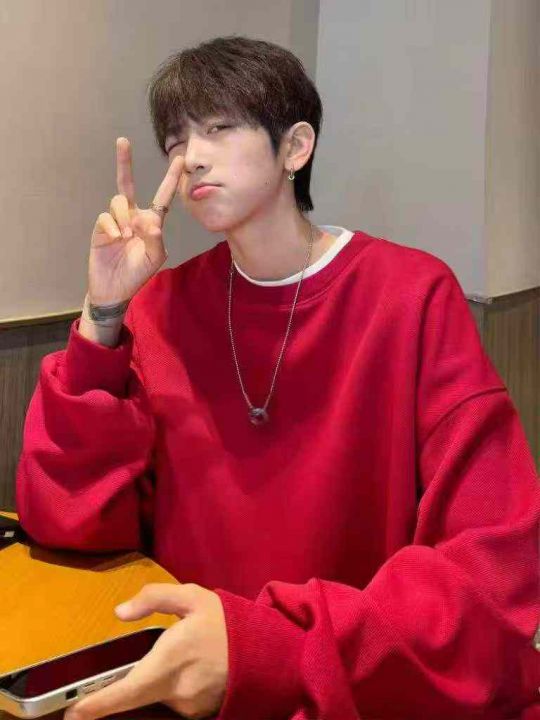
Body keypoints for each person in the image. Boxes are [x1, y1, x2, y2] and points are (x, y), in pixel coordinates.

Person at [15, 35, 539, 720]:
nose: (190, 157)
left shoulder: (410, 296)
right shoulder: (163, 307)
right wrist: (103, 314)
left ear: (295, 147)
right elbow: (69, 521)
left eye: (219, 128)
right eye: (175, 141)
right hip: (187, 688)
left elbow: (492, 570)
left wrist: (271, 648)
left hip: (347, 694)